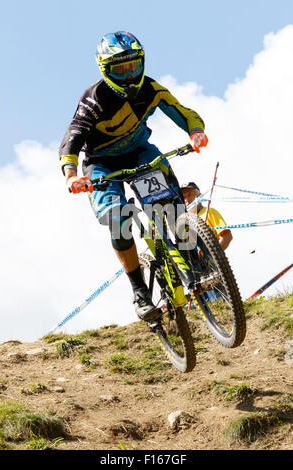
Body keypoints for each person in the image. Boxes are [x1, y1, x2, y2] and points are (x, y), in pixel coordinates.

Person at [59, 31, 208, 322]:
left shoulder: (151, 89)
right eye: (119, 69)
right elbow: (71, 138)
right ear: (105, 70)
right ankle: (140, 291)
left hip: (140, 152)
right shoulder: (94, 99)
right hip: (102, 164)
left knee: (168, 201)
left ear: (142, 63)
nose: (128, 76)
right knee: (119, 220)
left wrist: (196, 132)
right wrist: (71, 174)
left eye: (133, 67)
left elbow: (183, 112)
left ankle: (192, 258)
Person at [180, 182, 232, 250]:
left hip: (209, 257)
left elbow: (227, 236)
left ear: (199, 196)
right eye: (184, 197)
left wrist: (215, 256)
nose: (186, 200)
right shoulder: (183, 220)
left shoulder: (209, 212)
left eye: (190, 195)